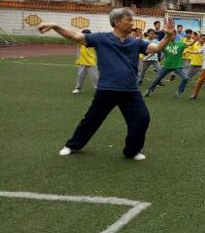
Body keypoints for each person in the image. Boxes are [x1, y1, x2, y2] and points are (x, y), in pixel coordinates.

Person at [38, 10, 174, 160]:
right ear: (117, 22)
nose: (132, 23)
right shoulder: (101, 38)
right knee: (91, 120)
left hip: (130, 90)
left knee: (142, 118)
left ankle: (132, 151)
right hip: (106, 89)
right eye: (128, 20)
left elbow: (155, 48)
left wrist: (168, 36)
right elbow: (75, 36)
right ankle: (72, 145)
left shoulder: (135, 42)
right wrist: (55, 25)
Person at [144, 32, 195, 98]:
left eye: (172, 35)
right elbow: (155, 50)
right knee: (157, 79)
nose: (171, 36)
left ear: (175, 35)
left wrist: (195, 39)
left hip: (177, 66)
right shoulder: (164, 45)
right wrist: (147, 57)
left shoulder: (180, 44)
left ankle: (179, 92)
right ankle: (149, 90)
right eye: (169, 35)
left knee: (185, 78)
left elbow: (190, 44)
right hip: (167, 66)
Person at [72, 29, 98, 94]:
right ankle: (77, 88)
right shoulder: (80, 42)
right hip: (82, 62)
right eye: (84, 35)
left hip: (91, 62)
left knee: (95, 77)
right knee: (80, 76)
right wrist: (78, 59)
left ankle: (98, 90)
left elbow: (97, 51)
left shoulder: (93, 42)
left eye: (87, 35)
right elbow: (78, 51)